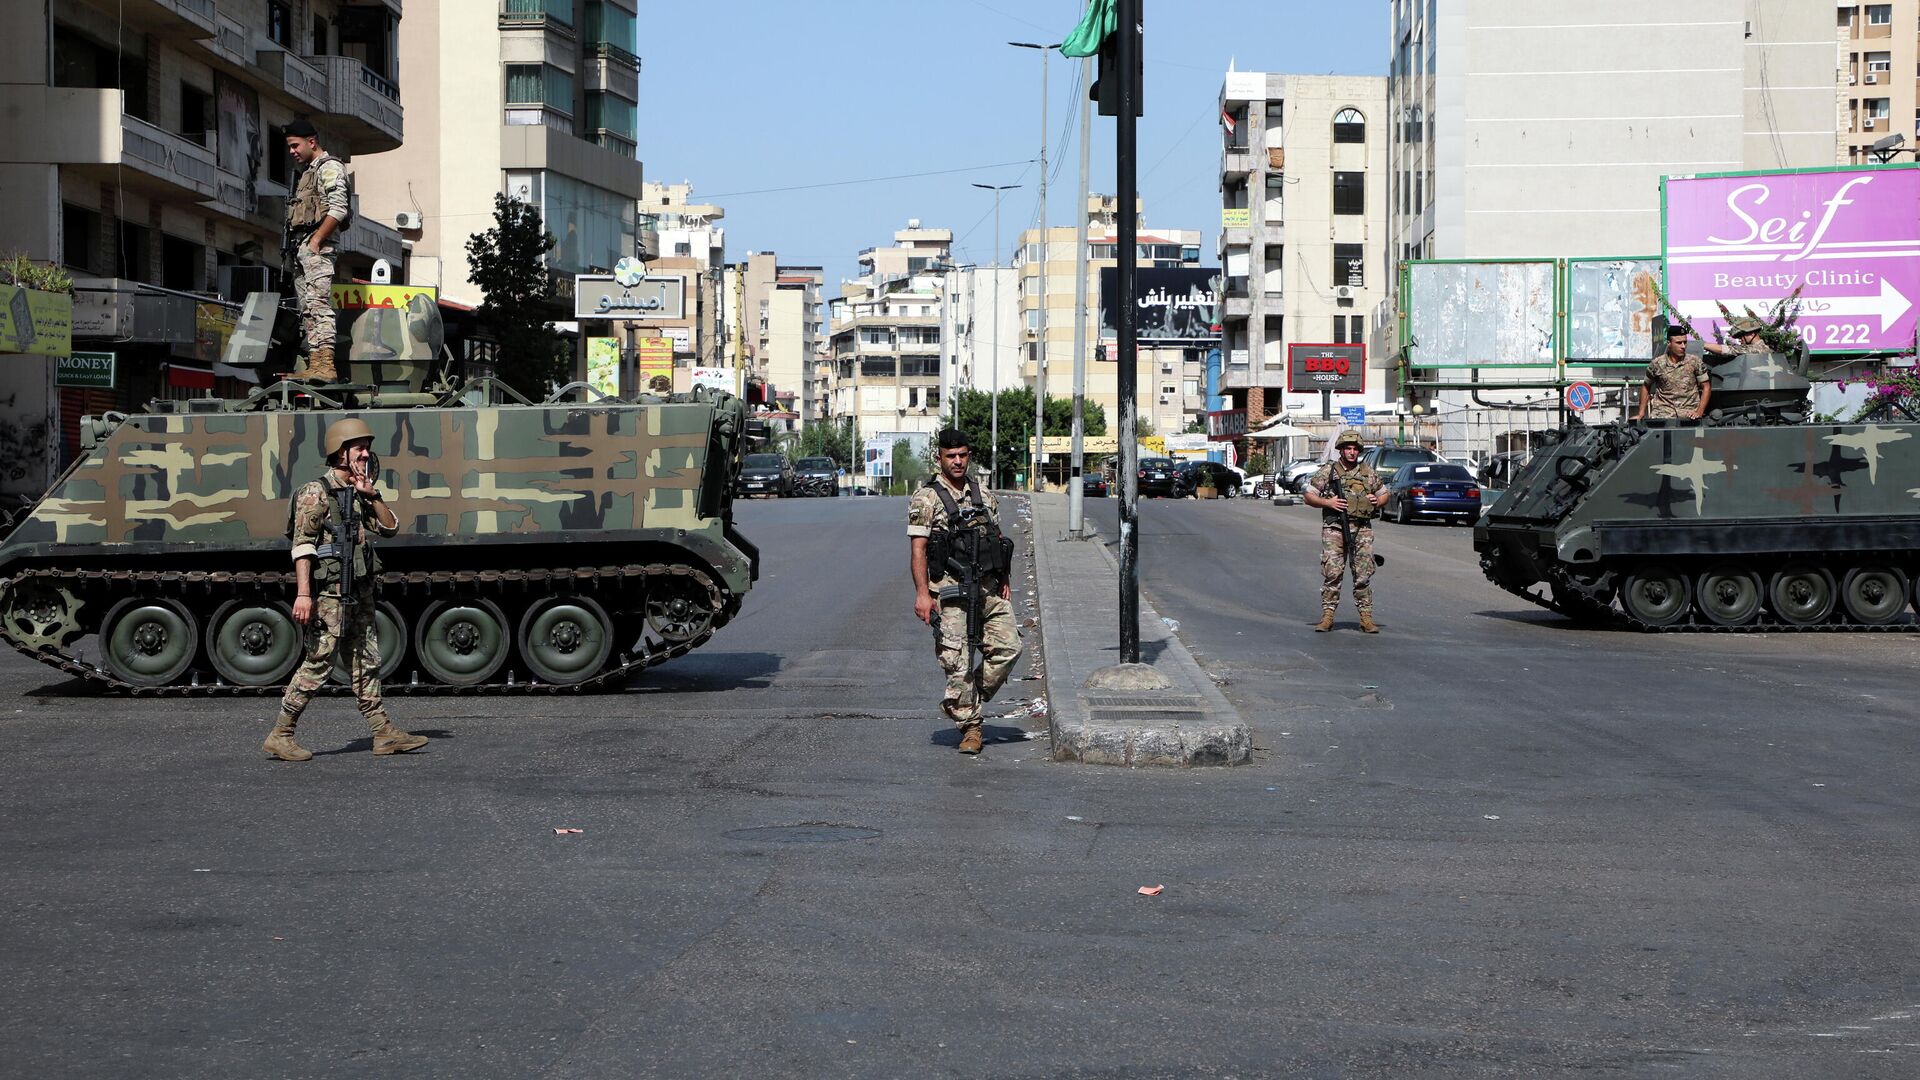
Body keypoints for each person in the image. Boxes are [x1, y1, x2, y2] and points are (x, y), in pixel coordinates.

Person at [261, 418, 428, 761]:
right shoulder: (315, 492)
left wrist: (373, 495)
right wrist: (304, 594)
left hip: (359, 591)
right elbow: (303, 546)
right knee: (319, 662)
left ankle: (383, 733)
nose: (367, 454)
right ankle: (281, 733)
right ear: (340, 452)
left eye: (367, 447)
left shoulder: (361, 492)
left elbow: (391, 528)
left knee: (366, 661)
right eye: (359, 448)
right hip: (329, 595)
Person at [907, 429, 1022, 755]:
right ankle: (971, 727)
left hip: (988, 587)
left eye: (962, 455)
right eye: (950, 456)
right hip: (949, 591)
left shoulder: (984, 495)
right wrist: (922, 594)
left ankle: (963, 696)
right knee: (955, 662)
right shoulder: (926, 498)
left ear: (969, 456)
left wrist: (1004, 579)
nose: (957, 461)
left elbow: (998, 540)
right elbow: (919, 549)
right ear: (940, 458)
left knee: (1009, 648)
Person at [278, 119, 350, 383]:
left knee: (318, 305)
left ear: (312, 142)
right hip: (304, 250)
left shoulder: (329, 167)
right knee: (308, 308)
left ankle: (326, 365)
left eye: (295, 145)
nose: (292, 151)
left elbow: (338, 209)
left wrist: (316, 241)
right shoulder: (309, 171)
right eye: (289, 147)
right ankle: (316, 363)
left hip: (318, 248)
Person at [1302, 428, 1388, 633]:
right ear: (1341, 449)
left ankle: (1366, 618)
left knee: (1363, 574)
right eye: (1347, 448)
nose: (1351, 452)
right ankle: (1328, 616)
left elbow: (1384, 494)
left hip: (1361, 530)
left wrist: (1377, 502)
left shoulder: (1367, 472)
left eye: (1355, 449)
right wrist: (1328, 502)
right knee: (1333, 573)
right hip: (1335, 529)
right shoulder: (1329, 471)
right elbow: (1309, 495)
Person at [1635, 324, 1712, 421]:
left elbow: (1706, 387)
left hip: (1689, 414)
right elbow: (1646, 386)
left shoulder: (1695, 362)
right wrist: (1641, 413)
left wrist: (1699, 412)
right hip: (1663, 414)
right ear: (1669, 343)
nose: (1683, 346)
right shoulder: (1657, 364)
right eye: (1679, 343)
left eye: (1685, 342)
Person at [1702, 315, 1770, 357]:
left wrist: (1702, 344)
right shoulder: (1768, 349)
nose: (1740, 340)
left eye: (1741, 336)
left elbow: (1723, 350)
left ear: (1752, 333)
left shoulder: (1757, 349)